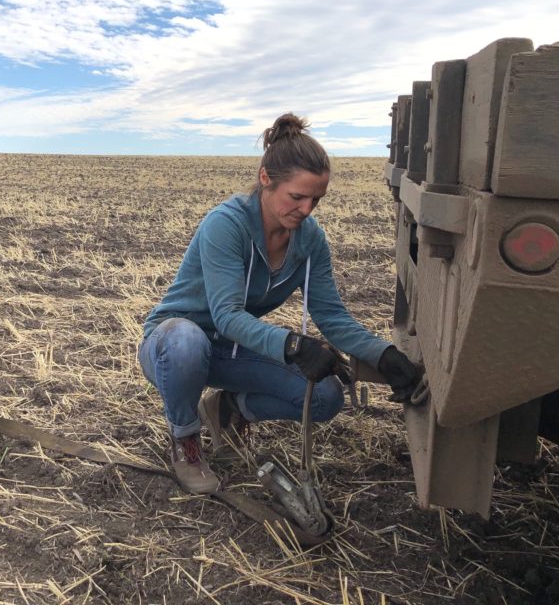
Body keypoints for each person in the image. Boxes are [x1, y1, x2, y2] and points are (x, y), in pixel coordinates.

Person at [138, 113, 421, 493]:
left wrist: (384, 355)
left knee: (325, 397)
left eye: (315, 200)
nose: (306, 210)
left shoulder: (310, 239)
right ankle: (186, 442)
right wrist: (293, 346)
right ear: (266, 179)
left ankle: (231, 409)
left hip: (232, 351)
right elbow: (225, 316)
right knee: (186, 340)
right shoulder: (226, 224)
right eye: (297, 197)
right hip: (171, 349)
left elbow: (331, 316)